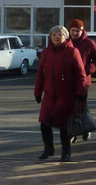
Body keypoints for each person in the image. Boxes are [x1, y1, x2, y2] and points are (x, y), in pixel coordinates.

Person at [33, 25, 89, 162]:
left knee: (64, 125)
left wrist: (81, 92)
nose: (57, 37)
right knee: (44, 122)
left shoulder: (72, 51)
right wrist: (38, 92)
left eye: (60, 34)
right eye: (54, 35)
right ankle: (48, 148)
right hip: (50, 94)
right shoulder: (46, 52)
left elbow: (81, 74)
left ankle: (66, 152)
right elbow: (40, 74)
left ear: (65, 36)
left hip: (66, 95)